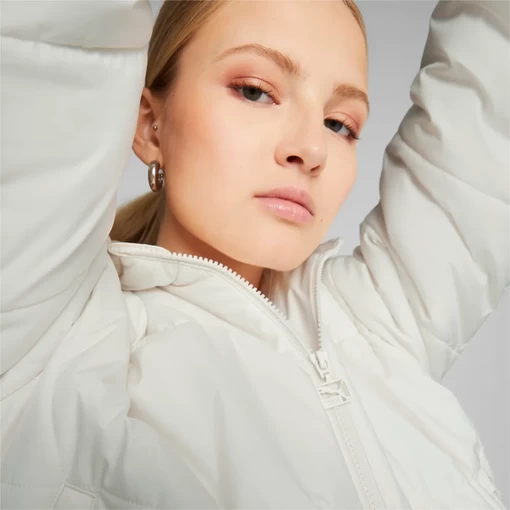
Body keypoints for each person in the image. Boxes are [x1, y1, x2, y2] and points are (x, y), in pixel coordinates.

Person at [1, 0, 508, 508]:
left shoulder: (381, 322)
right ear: (149, 123)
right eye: (254, 91)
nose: (312, 149)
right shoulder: (52, 342)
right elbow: (53, 38)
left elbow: (491, 88)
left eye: (339, 124)